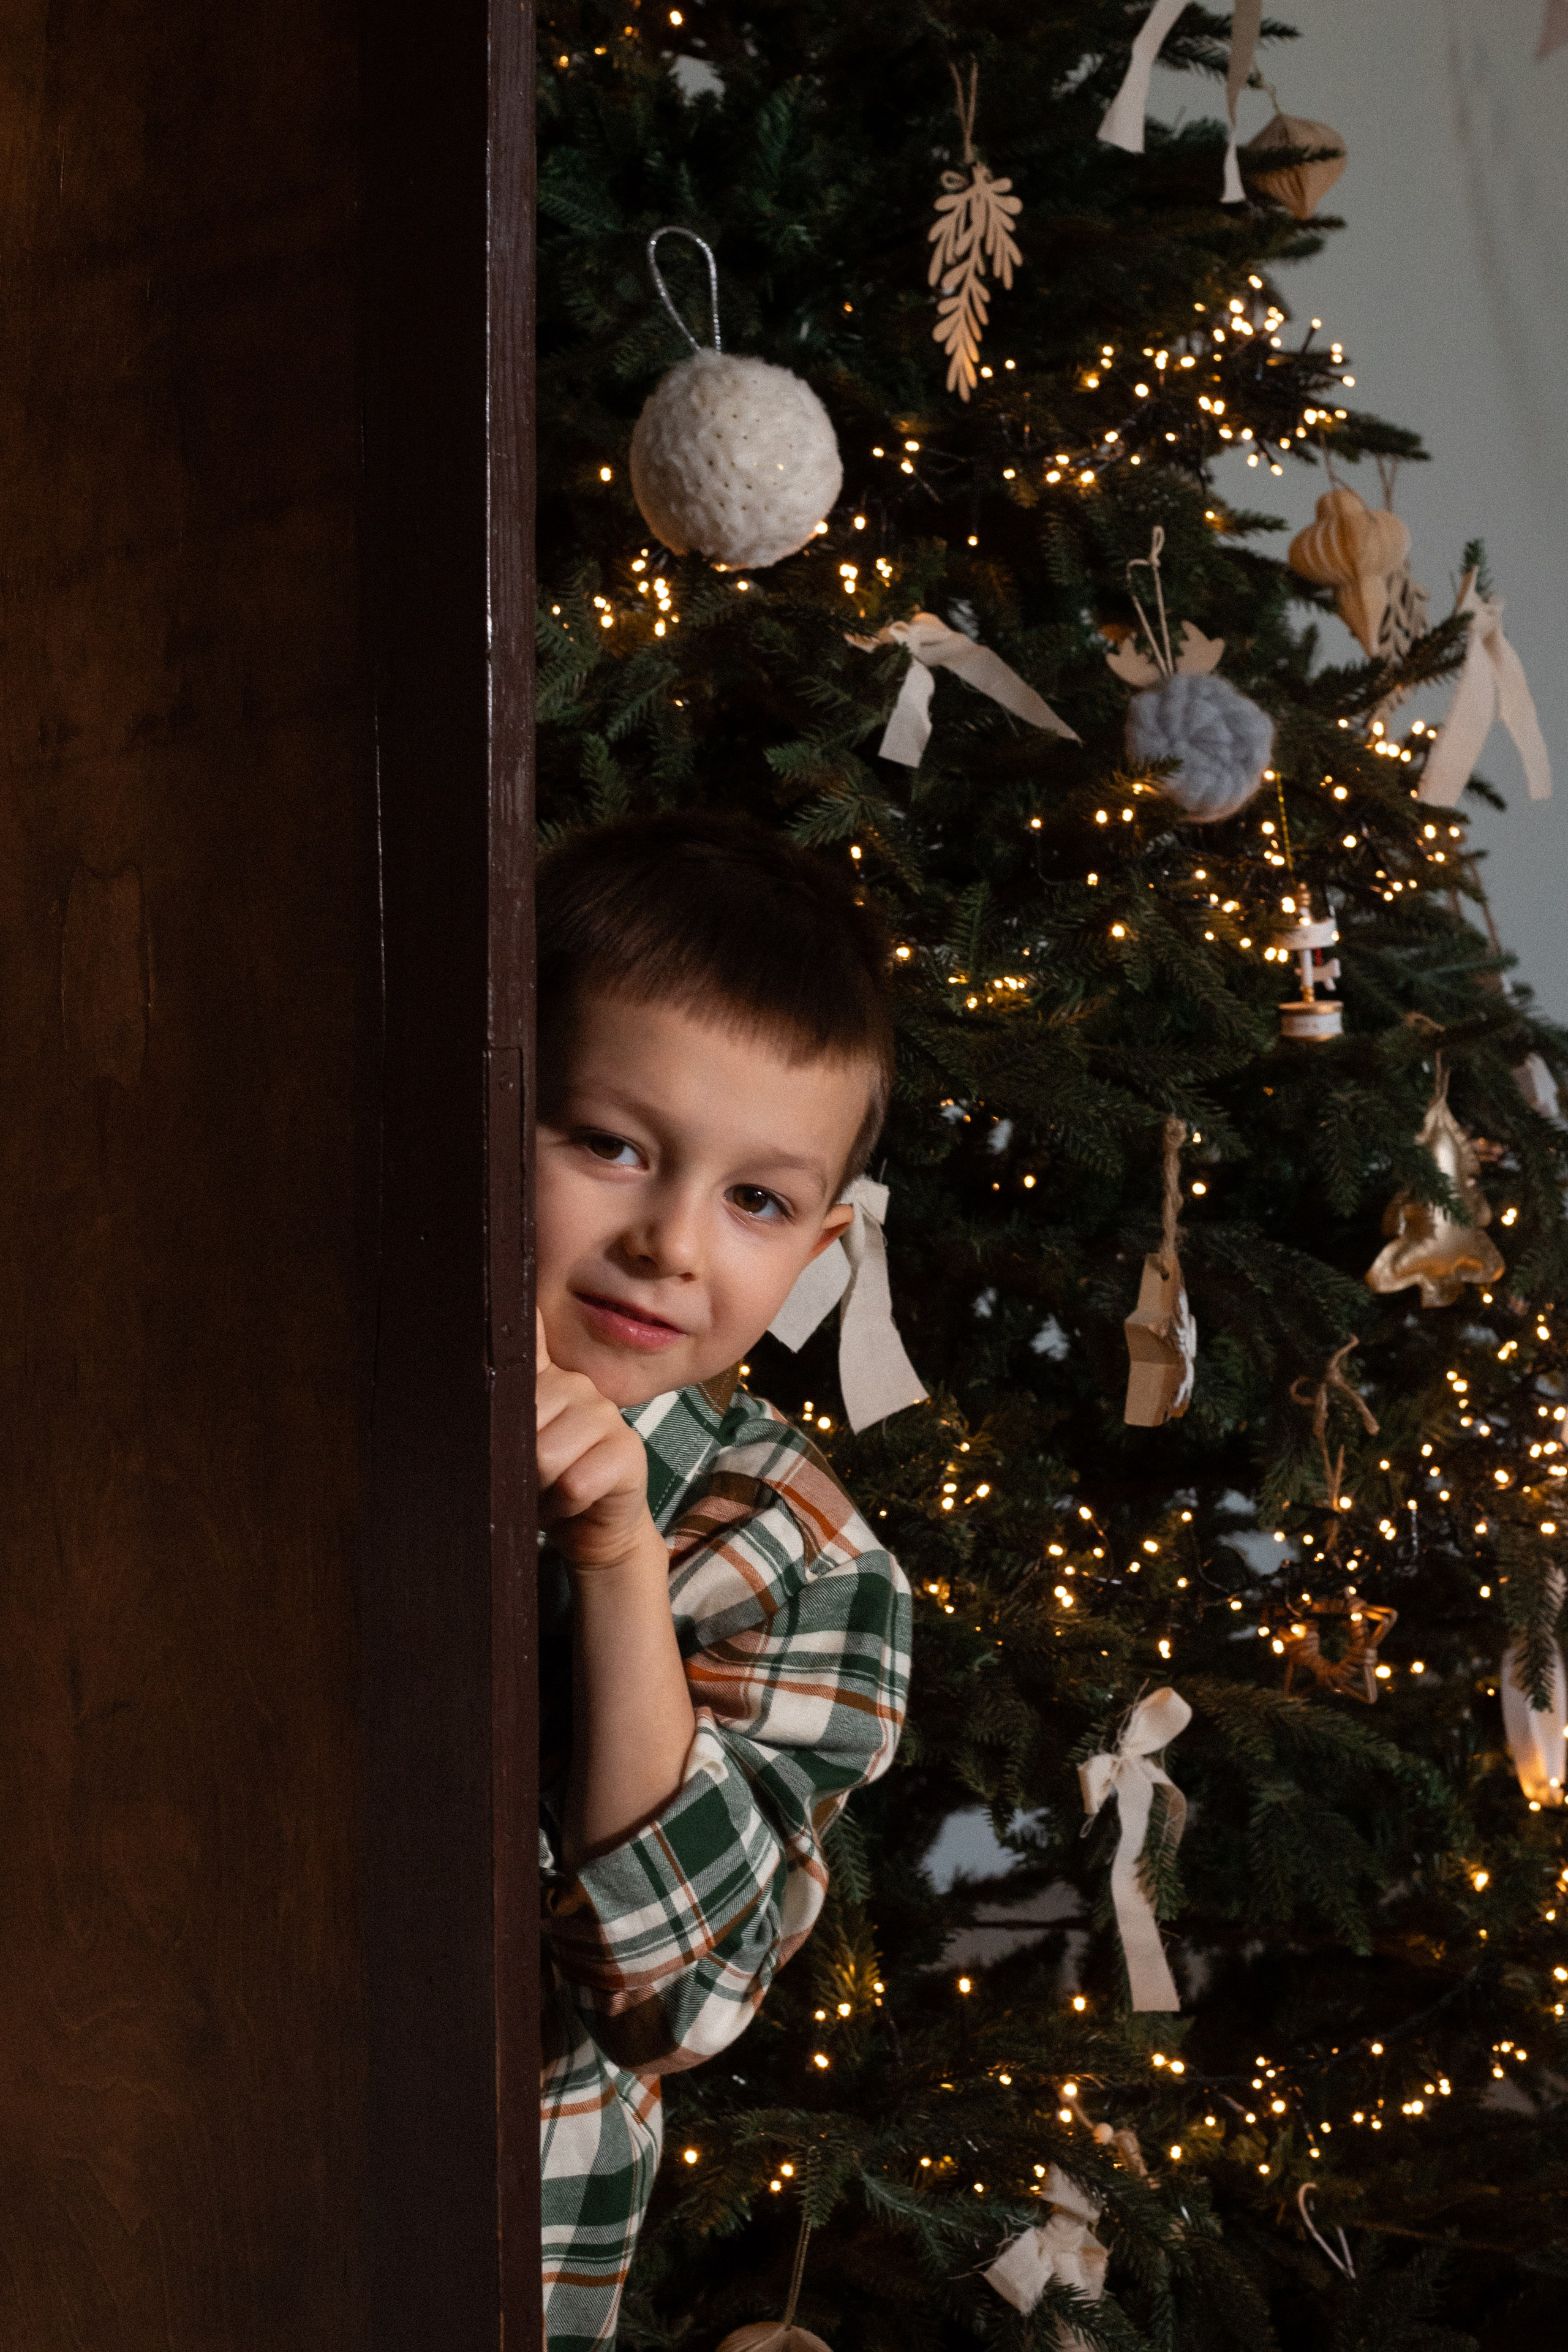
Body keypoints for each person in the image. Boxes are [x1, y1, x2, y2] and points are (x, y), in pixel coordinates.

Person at [535, 812, 913, 2352]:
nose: (668, 1244)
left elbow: (679, 1999)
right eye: (611, 1144)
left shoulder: (798, 1551)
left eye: (754, 1202)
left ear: (821, 1244)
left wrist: (616, 1559)